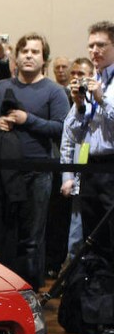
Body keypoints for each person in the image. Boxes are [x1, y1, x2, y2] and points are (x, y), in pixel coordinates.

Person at [0, 32, 70, 290]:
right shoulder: (2, 87)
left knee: (31, 238)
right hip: (3, 171)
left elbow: (62, 128)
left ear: (44, 59)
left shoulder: (55, 91)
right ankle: (2, 288)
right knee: (3, 231)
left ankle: (30, 291)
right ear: (16, 57)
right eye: (24, 51)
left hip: (38, 172)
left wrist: (29, 120)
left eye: (35, 52)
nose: (29, 55)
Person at [61, 22, 114, 332]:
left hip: (111, 167)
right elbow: (74, 131)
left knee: (110, 242)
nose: (95, 50)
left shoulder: (105, 86)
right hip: (91, 167)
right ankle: (97, 312)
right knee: (92, 243)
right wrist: (80, 105)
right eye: (91, 45)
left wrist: (103, 99)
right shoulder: (92, 80)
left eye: (102, 45)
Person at [59, 57, 96, 259]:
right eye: (73, 74)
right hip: (80, 179)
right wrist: (67, 177)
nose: (76, 78)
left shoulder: (103, 99)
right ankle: (75, 285)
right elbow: (67, 143)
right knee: (76, 238)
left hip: (101, 175)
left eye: (81, 74)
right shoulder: (75, 103)